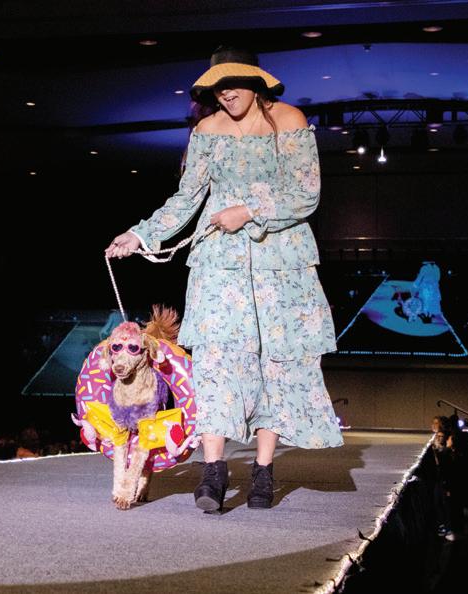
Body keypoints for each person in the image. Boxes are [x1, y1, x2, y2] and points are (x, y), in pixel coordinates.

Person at [105, 45, 342, 513]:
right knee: (216, 361)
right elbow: (186, 198)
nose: (226, 93)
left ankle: (263, 471)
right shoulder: (207, 131)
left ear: (256, 81)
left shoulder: (289, 121)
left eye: (233, 83)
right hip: (219, 261)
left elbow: (306, 192)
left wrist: (248, 210)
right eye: (218, 87)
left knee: (275, 364)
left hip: (281, 260)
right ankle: (213, 471)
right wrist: (139, 233)